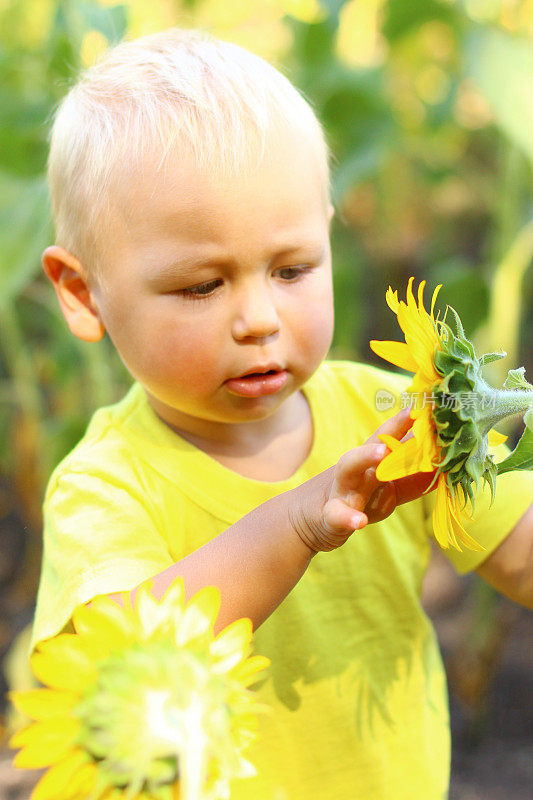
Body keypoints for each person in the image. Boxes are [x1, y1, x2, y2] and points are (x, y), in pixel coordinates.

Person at [32, 27, 532, 800]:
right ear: (83, 293)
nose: (259, 318)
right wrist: (294, 527)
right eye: (202, 286)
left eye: (292, 269)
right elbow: (124, 651)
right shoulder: (106, 486)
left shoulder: (386, 413)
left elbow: (517, 552)